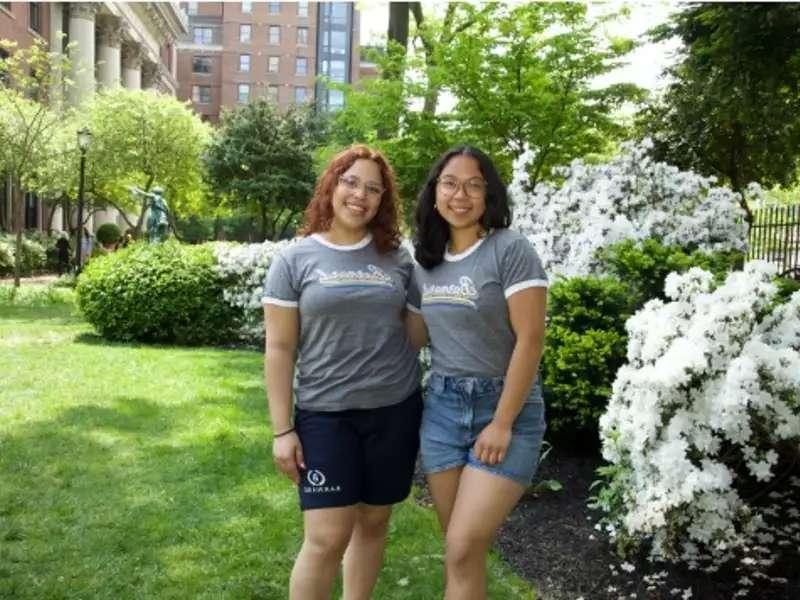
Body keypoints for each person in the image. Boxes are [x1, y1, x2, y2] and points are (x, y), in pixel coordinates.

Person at [262, 145, 422, 600]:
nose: (360, 195)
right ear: (332, 186)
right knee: (326, 538)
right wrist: (282, 430)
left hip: (394, 410)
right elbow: (279, 347)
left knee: (372, 523)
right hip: (326, 416)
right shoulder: (295, 260)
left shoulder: (399, 260)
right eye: (351, 182)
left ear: (382, 201)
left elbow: (415, 334)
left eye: (373, 188)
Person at [407, 145, 548, 600]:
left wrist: (502, 423)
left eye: (473, 184)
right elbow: (413, 337)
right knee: (460, 550)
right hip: (444, 411)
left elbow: (530, 340)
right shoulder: (426, 261)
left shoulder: (510, 250)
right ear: (435, 192)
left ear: (490, 193)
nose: (460, 194)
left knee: (463, 545)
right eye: (449, 183)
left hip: (504, 408)